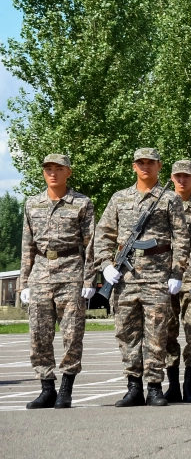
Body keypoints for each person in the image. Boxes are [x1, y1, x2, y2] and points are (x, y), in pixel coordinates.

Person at [93, 148, 187, 407]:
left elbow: (181, 238)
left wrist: (177, 271)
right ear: (134, 166)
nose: (145, 167)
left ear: (159, 166)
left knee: (157, 333)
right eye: (140, 163)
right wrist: (104, 264)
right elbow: (103, 234)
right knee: (126, 333)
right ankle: (133, 386)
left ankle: (155, 386)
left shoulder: (169, 199)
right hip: (125, 278)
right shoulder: (119, 198)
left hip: (158, 277)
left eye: (150, 163)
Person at [19, 154, 95, 409]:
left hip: (72, 270)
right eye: (48, 169)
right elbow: (27, 245)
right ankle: (47, 388)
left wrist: (89, 279)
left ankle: (66, 389)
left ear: (68, 172)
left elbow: (91, 244)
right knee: (39, 334)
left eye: (58, 169)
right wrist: (24, 282)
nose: (52, 173)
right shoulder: (33, 204)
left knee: (72, 334)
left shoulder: (81, 203)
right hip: (40, 273)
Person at [166, 159, 191, 402]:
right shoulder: (161, 203)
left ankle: (190, 384)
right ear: (172, 177)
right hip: (165, 276)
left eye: (187, 176)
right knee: (168, 333)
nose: (182, 180)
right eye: (178, 176)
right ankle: (172, 385)